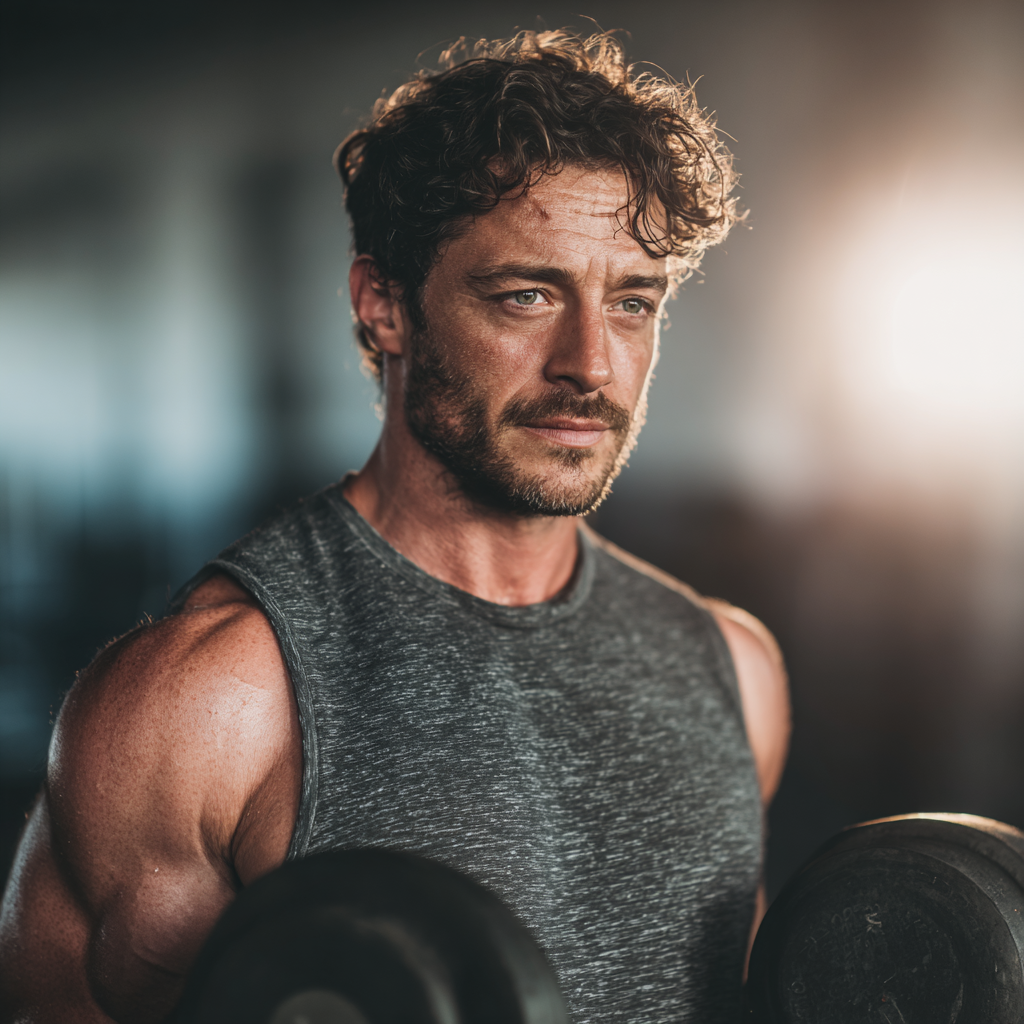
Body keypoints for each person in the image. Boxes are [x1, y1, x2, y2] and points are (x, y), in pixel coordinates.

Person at [0, 29, 789, 1023]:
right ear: (385, 307)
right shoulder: (215, 699)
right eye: (526, 295)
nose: (590, 362)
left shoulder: (728, 667)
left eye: (632, 303)